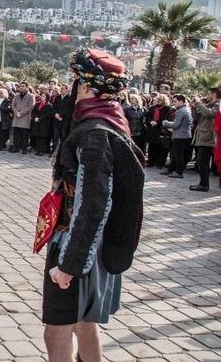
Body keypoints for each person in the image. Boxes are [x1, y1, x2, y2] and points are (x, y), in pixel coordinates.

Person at [43, 48, 144, 362]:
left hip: (77, 246)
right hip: (93, 247)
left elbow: (94, 204)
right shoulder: (108, 122)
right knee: (85, 325)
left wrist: (70, 265)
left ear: (84, 86)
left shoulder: (94, 133)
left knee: (57, 330)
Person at [190, 88, 219, 191]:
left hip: (209, 137)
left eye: (208, 94)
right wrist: (194, 107)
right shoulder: (206, 105)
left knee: (203, 161)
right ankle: (202, 183)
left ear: (214, 94)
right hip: (202, 135)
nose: (206, 96)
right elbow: (196, 118)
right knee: (201, 161)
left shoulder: (218, 105)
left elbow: (208, 113)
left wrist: (198, 103)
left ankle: (204, 185)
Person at [161, 94, 192, 179]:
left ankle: (179, 172)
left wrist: (166, 123)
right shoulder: (186, 109)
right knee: (174, 154)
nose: (173, 103)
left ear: (181, 101)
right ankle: (171, 169)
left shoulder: (181, 111)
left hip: (180, 136)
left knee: (178, 155)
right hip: (182, 135)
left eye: (175, 101)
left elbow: (176, 124)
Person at [144, 94, 171, 168]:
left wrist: (157, 122)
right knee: (151, 147)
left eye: (160, 100)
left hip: (160, 129)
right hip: (152, 129)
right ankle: (150, 161)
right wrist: (151, 121)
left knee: (160, 147)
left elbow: (165, 118)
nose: (158, 101)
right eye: (157, 99)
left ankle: (160, 162)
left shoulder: (167, 108)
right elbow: (148, 116)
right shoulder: (152, 108)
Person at [10, 82, 34, 153]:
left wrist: (21, 113)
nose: (21, 88)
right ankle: (15, 148)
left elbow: (30, 107)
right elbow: (13, 105)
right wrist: (16, 112)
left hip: (25, 118)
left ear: (27, 87)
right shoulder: (17, 95)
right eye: (20, 86)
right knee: (16, 134)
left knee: (24, 135)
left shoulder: (31, 96)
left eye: (23, 86)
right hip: (16, 117)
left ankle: (24, 149)